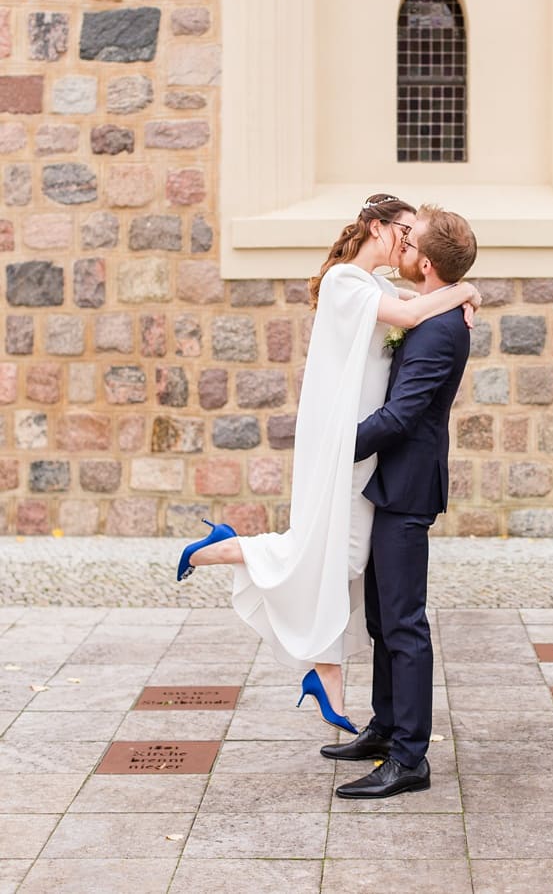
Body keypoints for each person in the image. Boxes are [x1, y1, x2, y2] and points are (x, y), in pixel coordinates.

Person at [176, 194, 481, 733]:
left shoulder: (382, 288)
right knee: (332, 555)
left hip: (370, 457)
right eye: (402, 234)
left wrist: (462, 289)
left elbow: (417, 304)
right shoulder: (347, 280)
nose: (407, 245)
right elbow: (414, 312)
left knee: (348, 565)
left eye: (414, 240)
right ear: (375, 226)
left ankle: (330, 679)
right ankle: (238, 550)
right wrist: (466, 290)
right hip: (349, 446)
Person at [322, 205, 478, 799]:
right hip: (390, 481)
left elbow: (404, 414)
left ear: (427, 263)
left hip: (408, 485)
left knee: (405, 623)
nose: (402, 248)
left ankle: (411, 757)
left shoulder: (439, 329)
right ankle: (385, 728)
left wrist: (335, 447)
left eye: (410, 243)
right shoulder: (430, 311)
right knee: (381, 618)